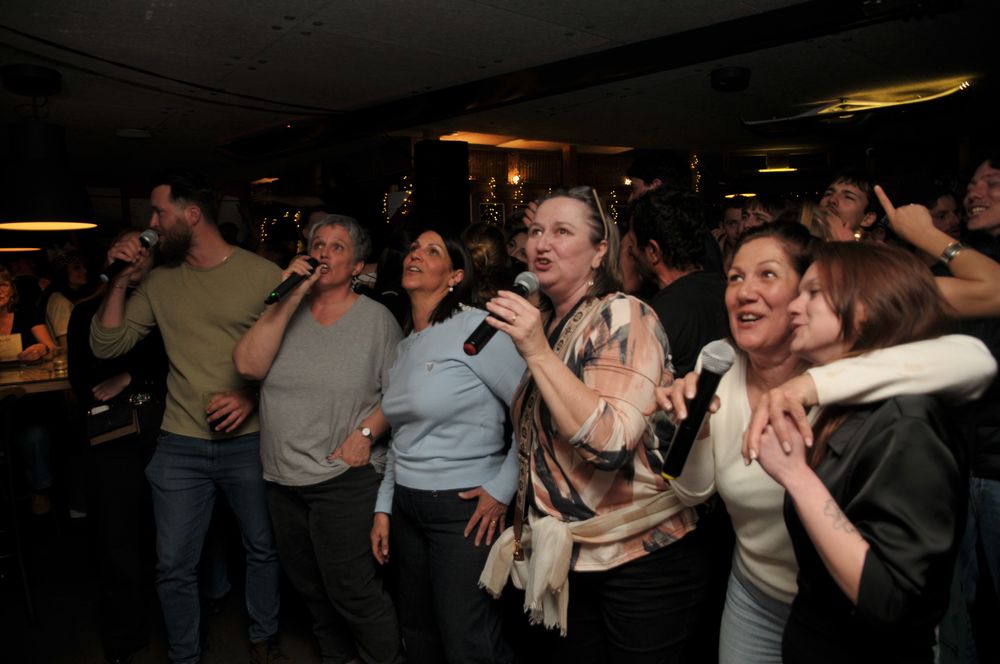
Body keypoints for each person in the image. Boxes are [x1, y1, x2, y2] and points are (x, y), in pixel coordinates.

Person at [661, 221, 998, 664]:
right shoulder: (717, 363)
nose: (743, 291)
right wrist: (697, 427)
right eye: (735, 277)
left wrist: (809, 386)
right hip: (759, 595)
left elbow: (972, 359)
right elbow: (692, 493)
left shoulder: (864, 384)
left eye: (768, 274)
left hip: (848, 621)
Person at [480, 186, 707, 664]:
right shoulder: (552, 322)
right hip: (578, 557)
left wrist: (536, 350)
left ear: (600, 249)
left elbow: (612, 444)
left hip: (638, 559)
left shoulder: (623, 314)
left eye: (562, 232)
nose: (542, 244)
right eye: (535, 231)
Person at [754, 241, 985, 663]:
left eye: (814, 293)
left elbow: (892, 599)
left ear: (866, 307)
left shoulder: (908, 422)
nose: (794, 307)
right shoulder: (840, 398)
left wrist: (797, 476)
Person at [90, 170, 286, 664]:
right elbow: (107, 344)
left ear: (192, 214)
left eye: (159, 213)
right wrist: (120, 279)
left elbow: (294, 359)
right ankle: (184, 656)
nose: (151, 224)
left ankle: (264, 637)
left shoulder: (262, 276)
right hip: (179, 444)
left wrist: (251, 395)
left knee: (262, 549)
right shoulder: (159, 280)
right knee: (174, 565)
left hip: (249, 441)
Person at [233, 216, 404, 664]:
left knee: (353, 591)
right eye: (317, 244)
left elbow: (401, 395)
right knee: (311, 590)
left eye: (337, 247)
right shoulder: (283, 310)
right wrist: (289, 296)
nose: (324, 252)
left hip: (343, 478)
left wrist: (365, 434)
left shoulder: (377, 321)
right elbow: (247, 366)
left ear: (358, 266)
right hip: (281, 478)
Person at [370, 229, 523, 664]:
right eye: (413, 248)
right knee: (419, 633)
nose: (416, 254)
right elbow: (402, 435)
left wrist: (502, 489)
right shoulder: (405, 346)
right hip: (409, 506)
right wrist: (384, 506)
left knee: (467, 641)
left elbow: (532, 412)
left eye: (432, 251)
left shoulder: (479, 329)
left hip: (464, 509)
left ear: (455, 276)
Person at [67, 236, 167, 664]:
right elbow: (82, 378)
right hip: (111, 436)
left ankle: (181, 622)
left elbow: (176, 363)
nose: (132, 258)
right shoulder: (85, 312)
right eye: (122, 252)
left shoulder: (165, 306)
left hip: (164, 428)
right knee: (116, 536)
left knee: (168, 532)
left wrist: (130, 377)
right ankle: (126, 635)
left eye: (141, 252)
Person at [1, 267, 57, 515]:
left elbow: (51, 348)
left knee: (35, 435)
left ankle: (40, 489)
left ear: (11, 289)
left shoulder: (26, 313)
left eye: (3, 284)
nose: (0, 290)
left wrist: (41, 349)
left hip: (27, 398)